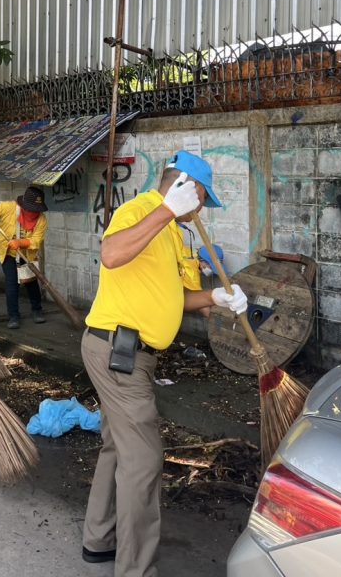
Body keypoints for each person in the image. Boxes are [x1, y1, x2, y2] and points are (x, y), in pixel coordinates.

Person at [80, 151, 248, 575]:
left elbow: (176, 298)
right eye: (203, 200)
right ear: (188, 188)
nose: (202, 211)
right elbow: (111, 254)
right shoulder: (140, 211)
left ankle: (99, 539)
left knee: (119, 447)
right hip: (118, 353)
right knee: (144, 461)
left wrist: (216, 297)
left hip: (130, 355)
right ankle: (135, 569)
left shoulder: (173, 231)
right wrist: (166, 210)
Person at [0, 185, 49, 328]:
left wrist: (21, 242)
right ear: (23, 206)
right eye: (31, 209)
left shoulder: (41, 220)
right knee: (12, 283)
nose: (33, 213)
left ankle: (37, 310)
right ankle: (13, 316)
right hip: (8, 253)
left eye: (36, 210)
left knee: (31, 282)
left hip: (27, 254)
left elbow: (37, 240)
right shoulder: (8, 207)